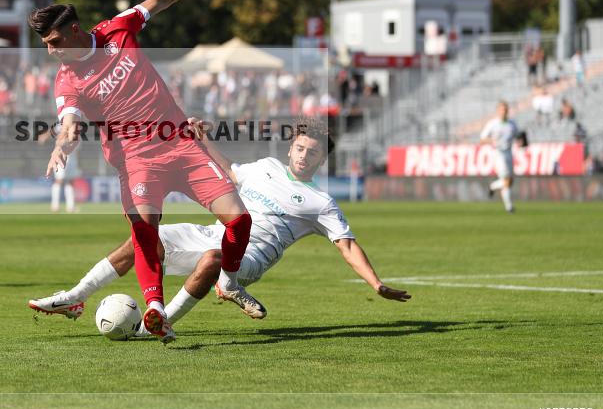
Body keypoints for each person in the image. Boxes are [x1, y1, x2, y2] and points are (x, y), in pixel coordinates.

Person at [28, 0, 260, 344]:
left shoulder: (117, 29)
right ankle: (154, 308)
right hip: (136, 160)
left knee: (240, 221)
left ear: (74, 30)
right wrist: (60, 144)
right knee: (144, 231)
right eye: (45, 45)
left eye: (54, 41)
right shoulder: (67, 79)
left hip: (180, 143)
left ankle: (229, 283)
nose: (51, 51)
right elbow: (69, 121)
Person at [29, 118, 410, 330]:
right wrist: (203, 137)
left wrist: (375, 283)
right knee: (145, 237)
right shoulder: (265, 168)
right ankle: (75, 296)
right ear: (291, 147)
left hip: (251, 256)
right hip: (213, 232)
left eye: (313, 153)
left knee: (213, 258)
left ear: (321, 160)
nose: (304, 156)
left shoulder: (320, 202)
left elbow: (346, 244)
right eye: (299, 148)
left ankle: (155, 325)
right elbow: (227, 169)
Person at [480, 101, 523, 213]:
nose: (504, 112)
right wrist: (492, 140)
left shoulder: (512, 124)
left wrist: (520, 142)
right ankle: (509, 207)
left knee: (510, 181)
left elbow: (518, 136)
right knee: (506, 180)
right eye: (501, 109)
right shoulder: (493, 123)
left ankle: (493, 186)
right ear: (498, 111)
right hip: (498, 153)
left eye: (505, 109)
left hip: (509, 153)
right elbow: (482, 139)